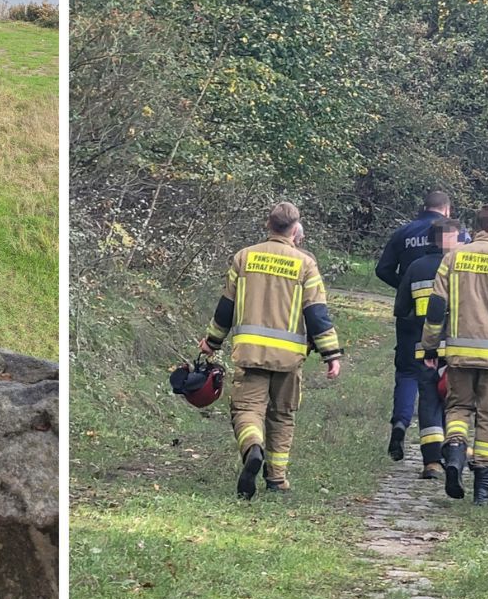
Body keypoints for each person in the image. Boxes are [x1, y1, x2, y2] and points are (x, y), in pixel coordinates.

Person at [199, 203, 344, 497]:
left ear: (268, 224)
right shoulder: (305, 264)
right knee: (282, 415)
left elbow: (225, 307)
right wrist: (331, 354)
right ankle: (277, 479)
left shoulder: (244, 257)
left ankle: (253, 447)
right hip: (288, 359)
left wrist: (211, 342)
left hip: (250, 353)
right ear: (295, 229)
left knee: (247, 410)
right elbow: (317, 314)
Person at [421, 203, 488, 505]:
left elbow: (435, 308)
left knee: (457, 409)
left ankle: (455, 454)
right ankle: (482, 491)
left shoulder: (453, 258)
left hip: (458, 354)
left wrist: (430, 346)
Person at [377, 191, 465, 459]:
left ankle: (400, 424)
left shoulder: (404, 232)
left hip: (411, 319)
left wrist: (408, 288)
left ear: (423, 207)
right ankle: (451, 443)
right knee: (449, 379)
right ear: (447, 211)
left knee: (407, 373)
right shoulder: (459, 237)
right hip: (449, 324)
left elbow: (382, 269)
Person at [393, 218, 459, 477]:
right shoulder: (459, 268)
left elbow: (401, 309)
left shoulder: (415, 268)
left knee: (429, 401)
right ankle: (454, 452)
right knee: (458, 403)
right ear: (448, 239)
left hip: (426, 348)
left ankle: (431, 462)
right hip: (457, 348)